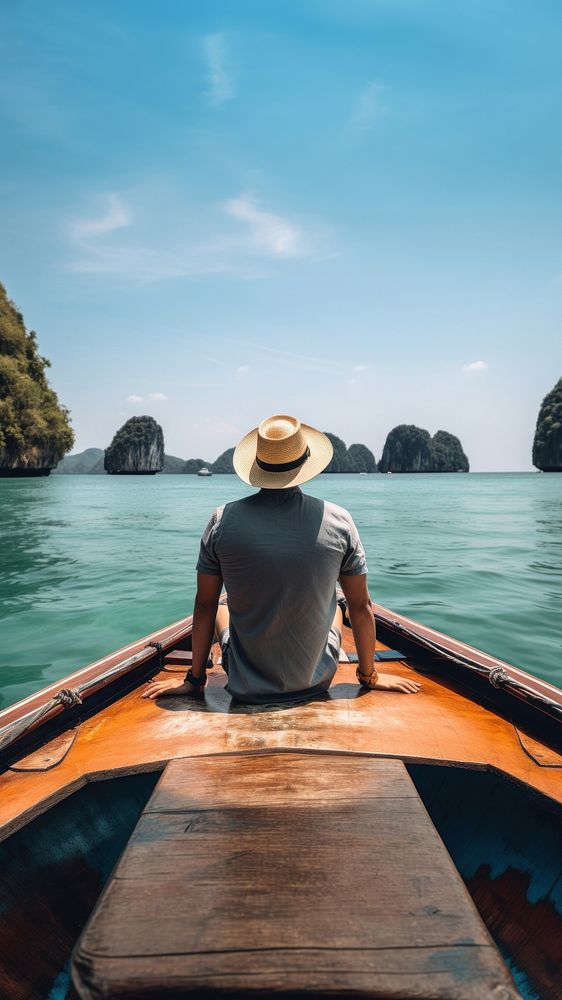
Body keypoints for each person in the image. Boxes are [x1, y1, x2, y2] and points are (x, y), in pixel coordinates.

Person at [143, 414, 421, 704]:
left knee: (220, 604)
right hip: (316, 679)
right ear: (304, 463)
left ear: (257, 465)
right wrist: (369, 677)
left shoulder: (222, 520)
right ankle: (336, 607)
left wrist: (194, 680)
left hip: (244, 683)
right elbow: (362, 607)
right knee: (340, 604)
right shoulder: (340, 520)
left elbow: (203, 605)